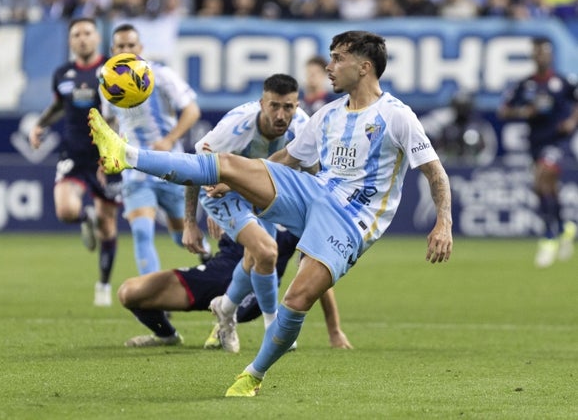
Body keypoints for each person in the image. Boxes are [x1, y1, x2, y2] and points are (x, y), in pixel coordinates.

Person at [87, 30, 453, 397]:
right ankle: (126, 154)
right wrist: (238, 181)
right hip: (314, 193)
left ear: (364, 66)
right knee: (226, 163)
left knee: (296, 300)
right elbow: (286, 160)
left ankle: (253, 375)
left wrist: (443, 223)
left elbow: (435, 172)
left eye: (338, 58)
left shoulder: (396, 116)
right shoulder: (326, 116)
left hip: (351, 221)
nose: (329, 66)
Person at [182, 74, 310, 353]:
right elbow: (194, 168)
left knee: (256, 256)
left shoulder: (304, 126)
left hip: (265, 192)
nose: (281, 114)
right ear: (261, 103)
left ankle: (225, 308)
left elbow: (313, 170)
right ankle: (273, 326)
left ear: (297, 105)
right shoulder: (235, 128)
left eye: (288, 107)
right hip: (221, 191)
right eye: (274, 106)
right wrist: (191, 222)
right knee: (266, 252)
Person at [117, 224, 353, 350]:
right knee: (129, 292)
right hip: (212, 276)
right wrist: (193, 219)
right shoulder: (237, 187)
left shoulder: (298, 213)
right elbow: (201, 167)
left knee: (249, 294)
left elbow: (316, 275)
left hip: (254, 291)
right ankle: (167, 336)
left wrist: (334, 330)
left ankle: (225, 320)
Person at [101, 23, 209, 279]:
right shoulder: (106, 83)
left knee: (180, 234)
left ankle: (207, 257)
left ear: (140, 48)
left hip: (170, 165)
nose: (126, 49)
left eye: (131, 45)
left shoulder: (160, 75)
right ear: (112, 50)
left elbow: (192, 110)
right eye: (121, 46)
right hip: (134, 169)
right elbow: (110, 125)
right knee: (141, 231)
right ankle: (153, 298)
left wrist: (169, 139)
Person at [30, 17, 120, 307]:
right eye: (76, 34)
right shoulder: (62, 73)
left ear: (97, 37)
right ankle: (85, 218)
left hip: (103, 156)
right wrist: (40, 124)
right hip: (73, 152)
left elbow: (117, 116)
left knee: (108, 223)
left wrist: (110, 155)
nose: (82, 38)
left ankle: (104, 284)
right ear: (70, 41)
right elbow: (59, 104)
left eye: (87, 33)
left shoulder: (111, 71)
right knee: (66, 210)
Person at [498, 37, 578, 268]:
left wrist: (572, 122)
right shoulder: (526, 84)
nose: (541, 55)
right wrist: (526, 111)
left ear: (551, 55)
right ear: (533, 56)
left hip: (558, 141)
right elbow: (504, 111)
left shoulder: (563, 82)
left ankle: (549, 237)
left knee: (541, 179)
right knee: (546, 187)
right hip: (537, 143)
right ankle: (565, 227)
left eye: (545, 51)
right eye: (537, 52)